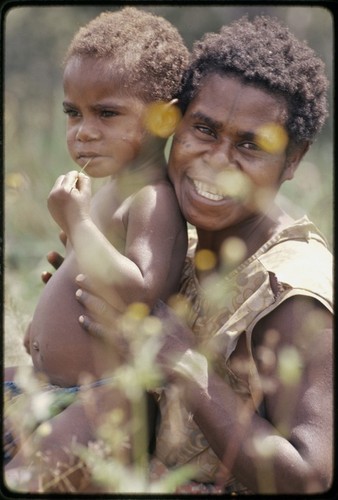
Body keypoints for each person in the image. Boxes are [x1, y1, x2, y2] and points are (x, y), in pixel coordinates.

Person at [75, 15, 333, 494]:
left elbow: (312, 476)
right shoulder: (182, 245)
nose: (216, 160)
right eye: (205, 129)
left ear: (293, 160)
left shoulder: (292, 292)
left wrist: (187, 365)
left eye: (250, 145)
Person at [4, 7, 189, 492]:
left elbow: (140, 290)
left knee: (26, 481)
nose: (83, 131)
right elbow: (88, 273)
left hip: (104, 400)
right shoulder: (110, 188)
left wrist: (77, 221)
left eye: (106, 113)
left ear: (165, 118)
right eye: (73, 112)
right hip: (46, 384)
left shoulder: (154, 198)